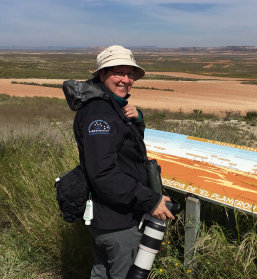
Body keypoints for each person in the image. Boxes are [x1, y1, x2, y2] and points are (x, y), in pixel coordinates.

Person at [63, 45, 175, 279]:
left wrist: (138, 119)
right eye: (118, 73)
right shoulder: (100, 114)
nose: (126, 79)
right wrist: (150, 200)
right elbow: (103, 172)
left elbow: (128, 149)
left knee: (102, 272)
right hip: (117, 222)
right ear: (102, 74)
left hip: (107, 216)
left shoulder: (111, 107)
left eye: (130, 74)